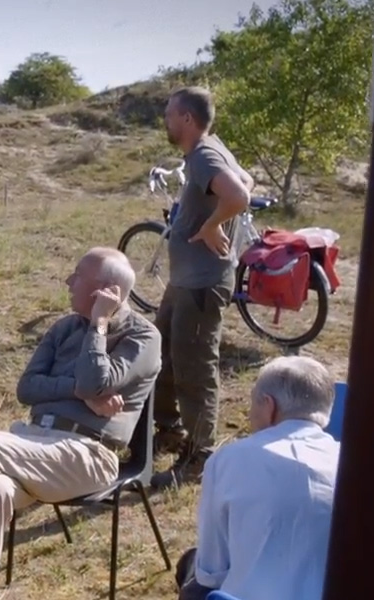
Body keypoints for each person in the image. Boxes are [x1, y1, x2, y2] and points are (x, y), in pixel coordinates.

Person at [0, 248, 162, 600]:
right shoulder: (63, 328)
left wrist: (99, 325)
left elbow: (93, 381)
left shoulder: (143, 337)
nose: (69, 282)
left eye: (77, 276)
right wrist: (77, 391)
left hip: (88, 454)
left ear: (105, 290)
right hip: (33, 442)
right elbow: (27, 388)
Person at [151, 86, 256, 488]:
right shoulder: (210, 148)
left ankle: (199, 456)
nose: (166, 121)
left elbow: (240, 193)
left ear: (187, 120)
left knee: (195, 368)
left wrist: (212, 225)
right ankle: (169, 429)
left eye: (170, 115)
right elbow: (244, 176)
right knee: (160, 352)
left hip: (201, 284)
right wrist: (213, 217)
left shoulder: (204, 154)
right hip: (185, 282)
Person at [176, 356, 341, 600]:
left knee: (190, 568)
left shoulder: (227, 460)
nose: (250, 414)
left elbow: (211, 572)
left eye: (253, 404)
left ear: (269, 405)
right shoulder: (357, 466)